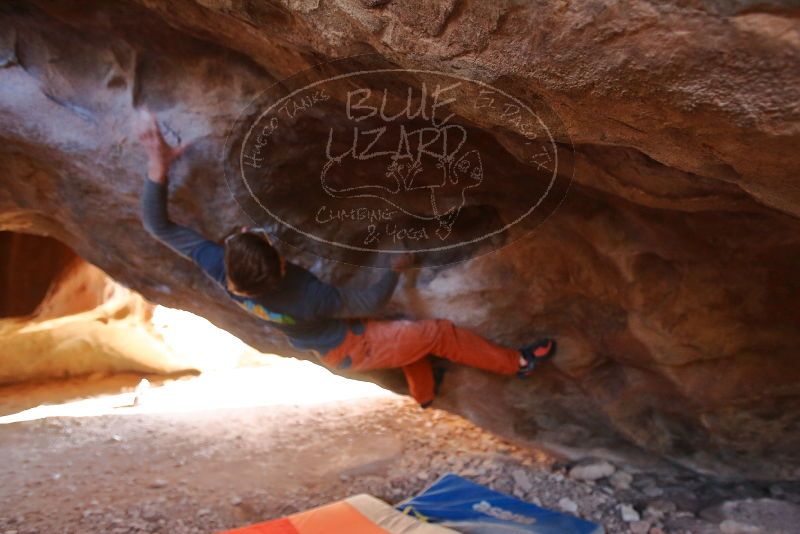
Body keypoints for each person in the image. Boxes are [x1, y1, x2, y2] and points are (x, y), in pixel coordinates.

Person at [135, 110, 556, 407]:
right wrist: (394, 270)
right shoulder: (307, 295)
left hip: (332, 341)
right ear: (281, 269)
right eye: (250, 236)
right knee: (437, 333)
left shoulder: (216, 265)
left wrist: (159, 167)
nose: (246, 231)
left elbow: (158, 226)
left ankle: (426, 395)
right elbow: (368, 303)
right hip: (354, 344)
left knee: (408, 341)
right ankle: (515, 363)